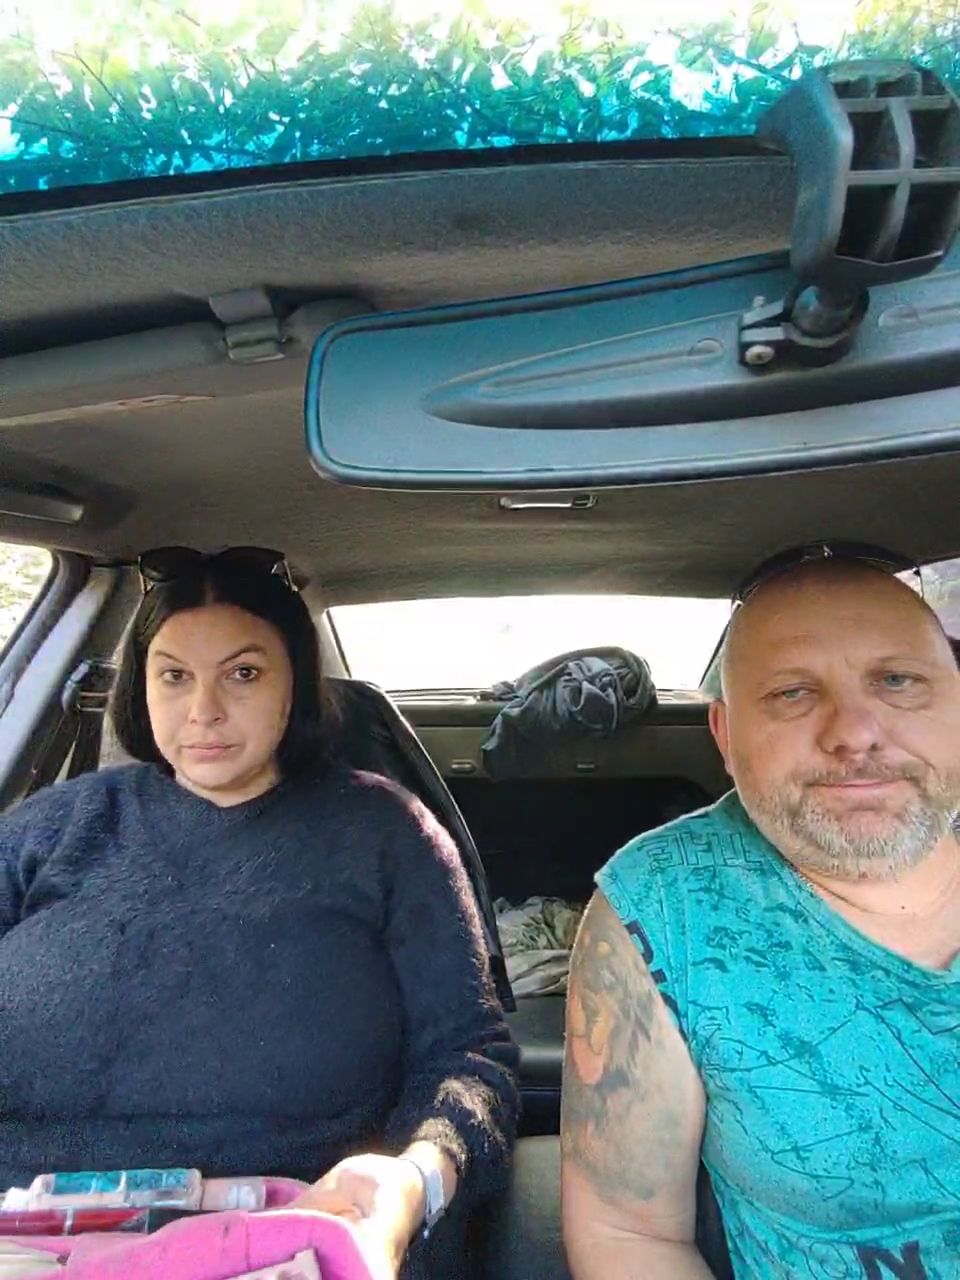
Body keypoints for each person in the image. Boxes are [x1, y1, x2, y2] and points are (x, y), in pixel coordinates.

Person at [0, 546, 518, 1280]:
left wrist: (416, 1178)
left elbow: (467, 1057)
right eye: (174, 676)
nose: (203, 710)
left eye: (243, 674)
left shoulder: (386, 834)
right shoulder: (54, 827)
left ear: (294, 686)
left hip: (291, 1238)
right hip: (24, 1231)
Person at [561, 543, 960, 1280]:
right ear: (724, 735)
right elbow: (628, 1235)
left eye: (896, 680)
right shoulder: (666, 905)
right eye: (793, 693)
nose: (855, 732)